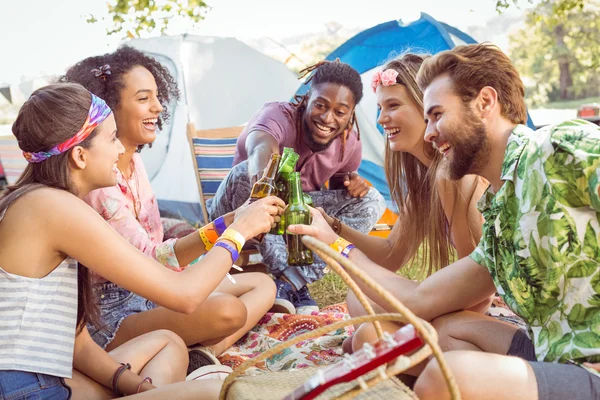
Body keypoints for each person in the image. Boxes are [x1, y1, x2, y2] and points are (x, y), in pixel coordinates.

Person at [289, 43, 600, 399]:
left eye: (436, 114)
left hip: (590, 366)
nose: (429, 132)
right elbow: (421, 297)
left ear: (485, 102)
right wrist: (336, 242)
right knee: (434, 332)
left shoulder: (558, 148)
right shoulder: (501, 215)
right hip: (553, 352)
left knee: (449, 374)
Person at [0, 82, 282, 399]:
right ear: (80, 155)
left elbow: (77, 344)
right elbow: (185, 295)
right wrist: (239, 231)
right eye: (111, 139)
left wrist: (136, 387)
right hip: (28, 390)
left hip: (43, 379)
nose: (121, 149)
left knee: (170, 344)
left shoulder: (35, 202)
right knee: (221, 391)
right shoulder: (54, 207)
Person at [62, 47, 277, 373]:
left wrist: (231, 220)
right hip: (113, 313)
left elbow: (158, 251)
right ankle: (194, 349)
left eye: (158, 97)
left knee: (264, 284)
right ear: (108, 107)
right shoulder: (99, 185)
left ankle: (202, 356)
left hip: (156, 289)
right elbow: (150, 259)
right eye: (144, 98)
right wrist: (234, 230)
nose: (158, 107)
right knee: (227, 312)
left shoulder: (133, 161)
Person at [318, 53, 492, 354]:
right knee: (359, 299)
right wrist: (332, 225)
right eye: (380, 108)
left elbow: (481, 293)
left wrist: (422, 325)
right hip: (456, 312)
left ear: (426, 107)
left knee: (366, 334)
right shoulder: (426, 181)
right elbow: (391, 255)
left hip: (472, 315)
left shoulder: (455, 177)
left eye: (393, 105)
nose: (381, 119)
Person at [208, 60, 387, 314]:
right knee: (245, 175)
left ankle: (292, 281)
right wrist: (267, 186)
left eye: (340, 112)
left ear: (351, 115)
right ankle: (288, 279)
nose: (327, 118)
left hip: (294, 217)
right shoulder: (277, 116)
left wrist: (353, 184)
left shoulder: (350, 144)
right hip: (241, 205)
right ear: (307, 98)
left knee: (372, 199)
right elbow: (260, 148)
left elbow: (338, 193)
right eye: (321, 105)